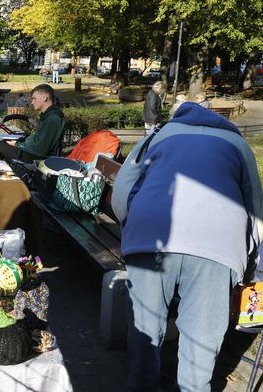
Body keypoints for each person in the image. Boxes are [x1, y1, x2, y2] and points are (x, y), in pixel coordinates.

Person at [111, 102, 263, 391]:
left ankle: (142, 384)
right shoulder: (237, 144)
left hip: (152, 237)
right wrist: (250, 265)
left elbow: (123, 190)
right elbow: (256, 210)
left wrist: (131, 229)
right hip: (218, 245)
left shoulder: (157, 136)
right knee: (201, 340)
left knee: (146, 326)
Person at [0, 84, 65, 162]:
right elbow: (40, 141)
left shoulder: (52, 119)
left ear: (44, 98)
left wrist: (17, 144)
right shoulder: (48, 115)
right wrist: (23, 141)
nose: (32, 102)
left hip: (37, 159)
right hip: (33, 154)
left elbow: (40, 149)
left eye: (34, 99)